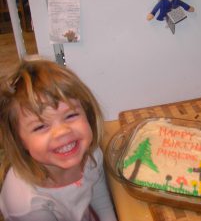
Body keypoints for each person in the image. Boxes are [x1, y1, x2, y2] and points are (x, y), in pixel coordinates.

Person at [0, 58, 118, 221]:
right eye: (40, 126)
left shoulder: (92, 155)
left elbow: (102, 203)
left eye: (70, 115)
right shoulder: (27, 203)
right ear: (19, 141)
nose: (62, 132)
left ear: (88, 115)